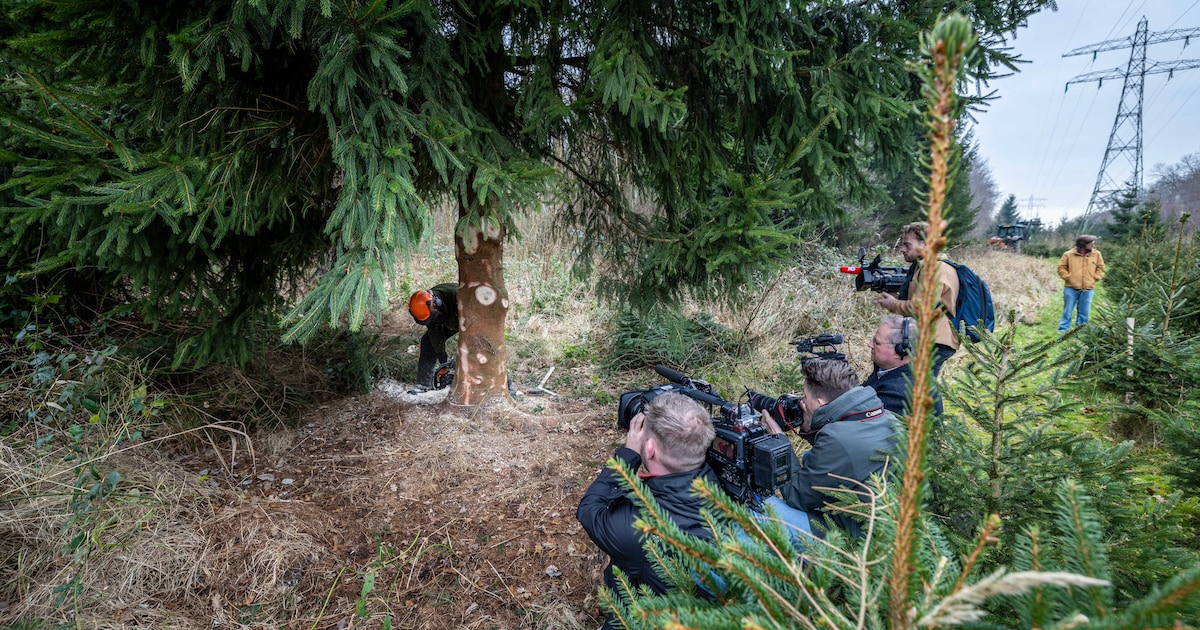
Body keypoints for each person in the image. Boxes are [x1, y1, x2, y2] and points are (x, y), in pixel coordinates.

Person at [576, 393, 718, 616]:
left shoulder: (636, 528)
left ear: (649, 448)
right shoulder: (727, 489)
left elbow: (590, 509)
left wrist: (628, 454)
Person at [759, 359, 902, 539]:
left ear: (819, 403)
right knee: (811, 456)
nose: (801, 402)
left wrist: (779, 442)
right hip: (888, 522)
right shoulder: (886, 416)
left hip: (854, 539)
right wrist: (811, 425)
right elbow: (842, 450)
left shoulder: (837, 439)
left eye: (804, 396)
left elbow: (795, 495)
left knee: (758, 507)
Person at [876, 221, 961, 376]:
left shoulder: (934, 268)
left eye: (907, 245)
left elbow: (922, 307)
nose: (902, 249)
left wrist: (893, 304)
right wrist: (891, 296)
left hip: (934, 339)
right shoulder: (924, 267)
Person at [863, 315, 943, 417]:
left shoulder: (900, 393)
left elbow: (860, 421)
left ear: (900, 350)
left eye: (877, 343)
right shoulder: (889, 369)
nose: (870, 344)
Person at [408, 282, 459, 391]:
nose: (431, 321)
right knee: (428, 342)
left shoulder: (457, 297)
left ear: (436, 303)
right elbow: (435, 334)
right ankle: (424, 384)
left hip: (467, 318)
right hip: (449, 319)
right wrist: (443, 362)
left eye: (432, 317)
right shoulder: (427, 309)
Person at [1057, 235, 1106, 333]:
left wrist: (1096, 277)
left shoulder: (1097, 254)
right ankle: (1063, 329)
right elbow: (1061, 268)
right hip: (1071, 287)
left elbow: (1101, 267)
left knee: (1085, 311)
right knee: (1068, 310)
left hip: (1088, 288)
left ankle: (1081, 330)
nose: (1093, 244)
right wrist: (1068, 277)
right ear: (1083, 244)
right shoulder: (1068, 254)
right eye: (1091, 242)